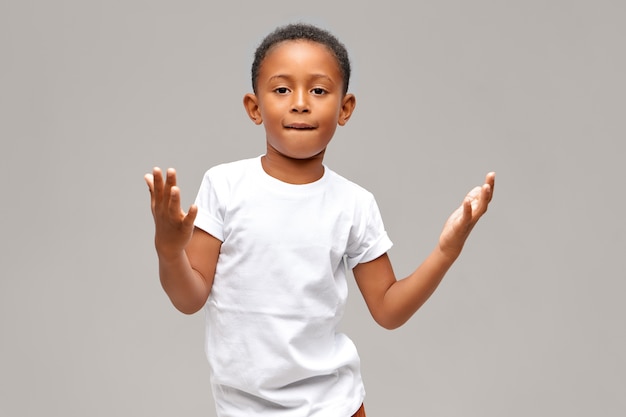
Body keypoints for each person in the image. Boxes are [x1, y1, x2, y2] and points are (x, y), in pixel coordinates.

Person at [145, 23, 495, 417]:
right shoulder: (224, 185)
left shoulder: (354, 204)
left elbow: (388, 309)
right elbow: (190, 298)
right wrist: (169, 250)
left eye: (318, 90)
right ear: (254, 106)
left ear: (344, 108)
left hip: (334, 407)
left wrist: (446, 251)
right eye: (281, 89)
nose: (300, 103)